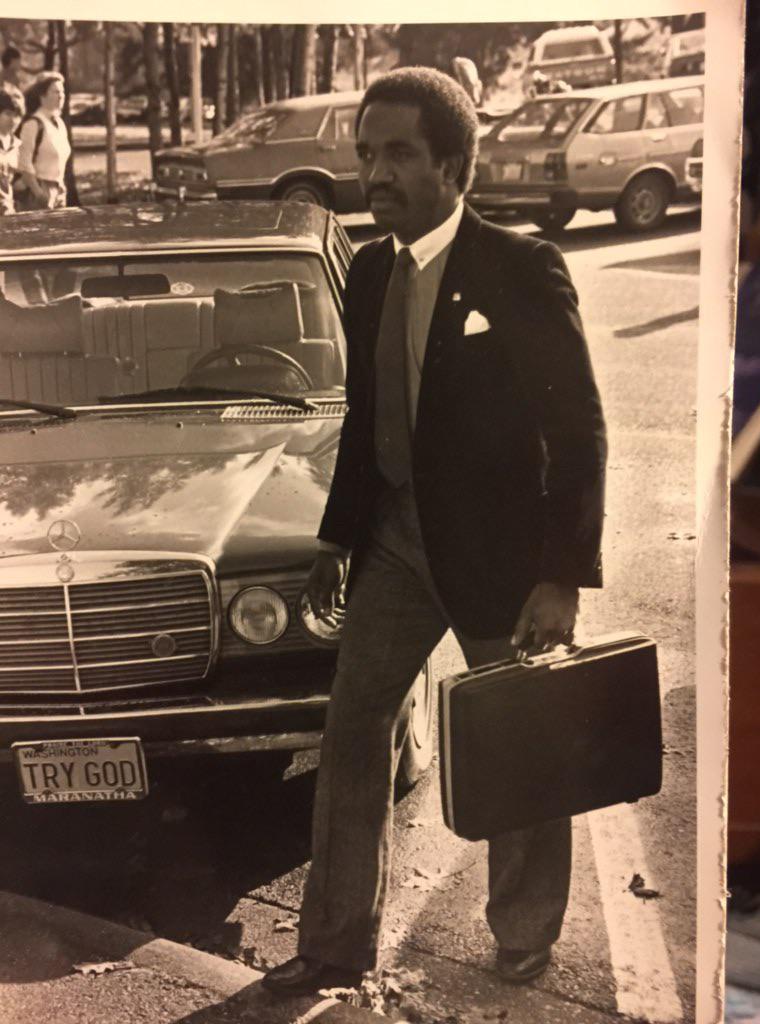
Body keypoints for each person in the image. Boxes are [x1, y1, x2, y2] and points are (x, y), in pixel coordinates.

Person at [263, 67, 607, 997]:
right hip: (395, 544)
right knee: (353, 724)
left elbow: (577, 427)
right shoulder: (369, 267)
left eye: (401, 154)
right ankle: (335, 940)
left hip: (502, 554)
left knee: (518, 738)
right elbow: (369, 415)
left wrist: (561, 575)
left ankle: (525, 934)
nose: (377, 173)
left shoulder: (520, 267)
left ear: (457, 166)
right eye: (368, 154)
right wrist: (340, 540)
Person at [17, 71, 70, 211]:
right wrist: (39, 194)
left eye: (62, 92)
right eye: (55, 92)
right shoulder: (33, 124)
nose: (61, 96)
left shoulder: (59, 123)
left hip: (58, 191)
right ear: (42, 96)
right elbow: (24, 164)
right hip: (36, 193)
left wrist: (60, 189)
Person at [0, 92, 22, 215]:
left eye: (17, 115)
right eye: (8, 114)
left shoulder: (16, 145)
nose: (13, 120)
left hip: (8, 211)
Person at [0, 46, 25, 116]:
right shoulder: (5, 77)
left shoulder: (15, 77)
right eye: (19, 61)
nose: (20, 64)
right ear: (13, 61)